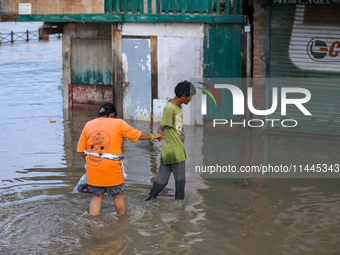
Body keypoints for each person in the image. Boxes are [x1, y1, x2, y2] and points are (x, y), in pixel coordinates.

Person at [77, 103, 162, 215]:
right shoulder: (119, 123)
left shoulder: (88, 125)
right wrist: (153, 136)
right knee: (117, 196)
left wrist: (91, 163)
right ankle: (122, 221)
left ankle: (94, 224)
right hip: (111, 167)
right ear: (112, 114)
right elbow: (137, 135)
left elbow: (81, 150)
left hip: (93, 167)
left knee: (97, 196)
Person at [144, 80, 196, 201]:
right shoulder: (170, 109)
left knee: (161, 181)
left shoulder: (175, 106)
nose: (190, 99)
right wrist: (159, 133)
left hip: (169, 149)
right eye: (190, 97)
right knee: (180, 181)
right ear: (183, 96)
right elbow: (161, 127)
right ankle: (179, 207)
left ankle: (149, 200)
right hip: (175, 151)